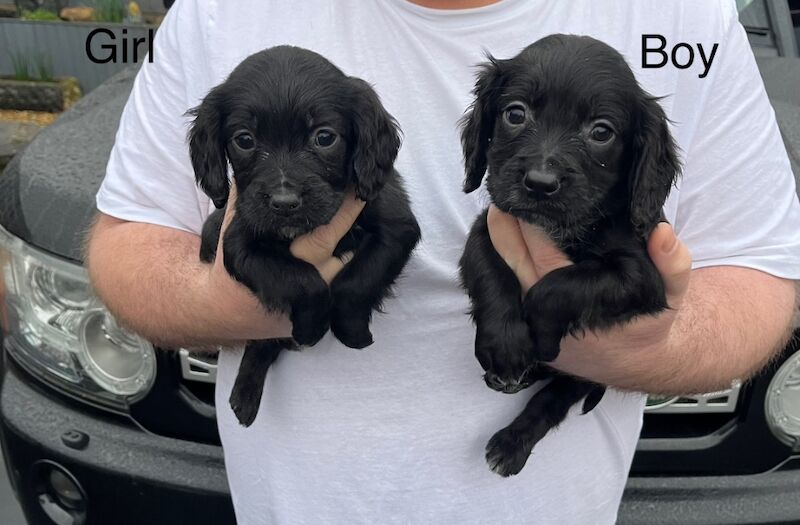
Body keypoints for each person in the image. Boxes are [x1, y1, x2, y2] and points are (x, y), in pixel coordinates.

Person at [85, 0, 800, 523]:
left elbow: (761, 278)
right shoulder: (215, 13)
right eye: (516, 118)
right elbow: (127, 242)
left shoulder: (687, 19)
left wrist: (650, 347)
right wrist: (234, 303)